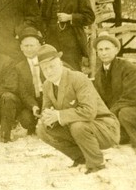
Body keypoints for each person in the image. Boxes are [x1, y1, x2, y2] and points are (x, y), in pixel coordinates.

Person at [36, 44, 120, 174]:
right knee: (42, 129)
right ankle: (81, 158)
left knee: (78, 126)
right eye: (44, 68)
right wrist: (46, 117)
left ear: (60, 64)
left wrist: (58, 115)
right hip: (78, 127)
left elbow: (89, 111)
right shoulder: (47, 85)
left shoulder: (78, 78)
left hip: (104, 128)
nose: (49, 71)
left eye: (52, 66)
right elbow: (46, 110)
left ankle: (97, 163)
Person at [92, 34, 136, 154]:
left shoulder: (128, 68)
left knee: (125, 113)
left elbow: (131, 96)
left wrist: (110, 114)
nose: (103, 53)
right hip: (117, 111)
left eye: (107, 49)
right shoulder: (98, 74)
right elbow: (99, 98)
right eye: (100, 50)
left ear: (116, 50)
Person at [41, 0, 96, 71]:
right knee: (54, 72)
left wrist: (70, 17)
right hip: (52, 43)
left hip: (72, 44)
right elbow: (42, 18)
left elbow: (90, 17)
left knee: (73, 72)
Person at [13, 28, 45, 135]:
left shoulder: (46, 62)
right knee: (26, 120)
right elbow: (23, 92)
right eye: (26, 46)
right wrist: (33, 106)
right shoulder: (19, 67)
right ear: (21, 48)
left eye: (32, 46)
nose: (29, 49)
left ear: (39, 46)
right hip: (32, 100)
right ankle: (35, 125)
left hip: (48, 98)